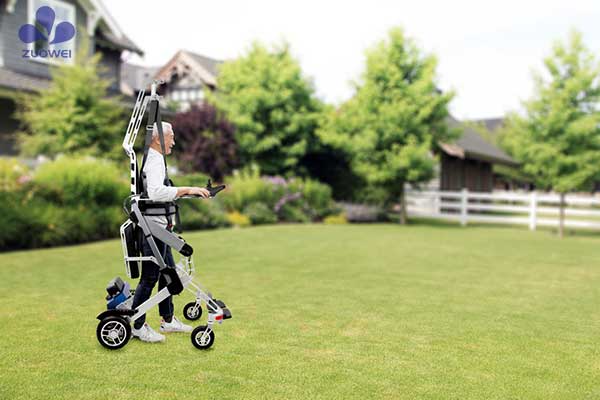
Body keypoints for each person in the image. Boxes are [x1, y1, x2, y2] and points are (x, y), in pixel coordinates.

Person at [131, 122, 210, 343]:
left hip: (160, 227)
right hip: (153, 228)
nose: (174, 141)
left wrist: (193, 192)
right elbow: (156, 192)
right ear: (158, 139)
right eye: (171, 137)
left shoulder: (154, 158)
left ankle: (167, 320)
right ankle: (137, 325)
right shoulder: (154, 161)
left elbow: (160, 192)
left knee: (169, 274)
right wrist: (187, 189)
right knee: (149, 277)